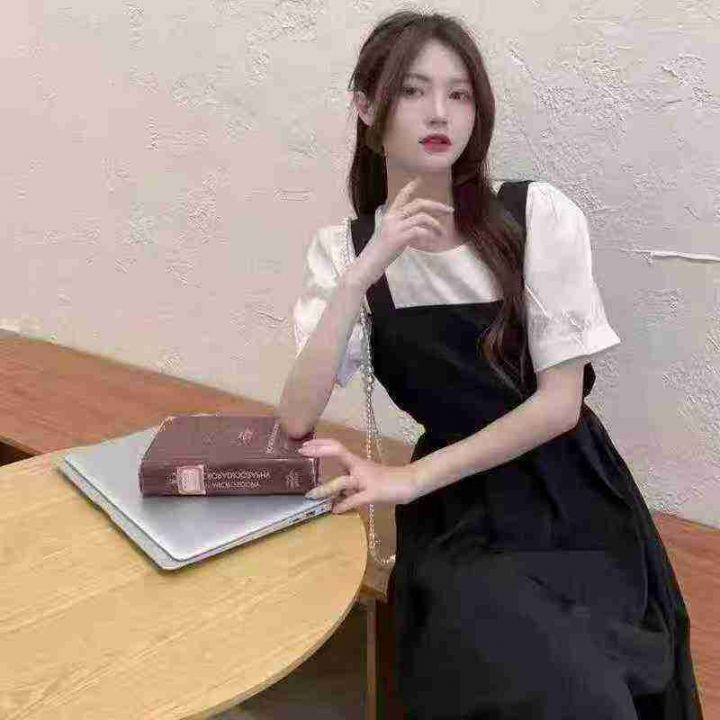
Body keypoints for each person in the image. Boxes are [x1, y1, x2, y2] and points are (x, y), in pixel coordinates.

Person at [278, 10, 703, 720]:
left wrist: (407, 479)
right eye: (412, 90)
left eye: (460, 94)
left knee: (585, 681)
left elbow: (559, 405)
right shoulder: (344, 251)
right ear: (366, 107)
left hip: (569, 491)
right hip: (458, 513)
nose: (439, 112)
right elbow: (296, 416)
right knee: (506, 658)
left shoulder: (536, 217)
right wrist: (361, 274)